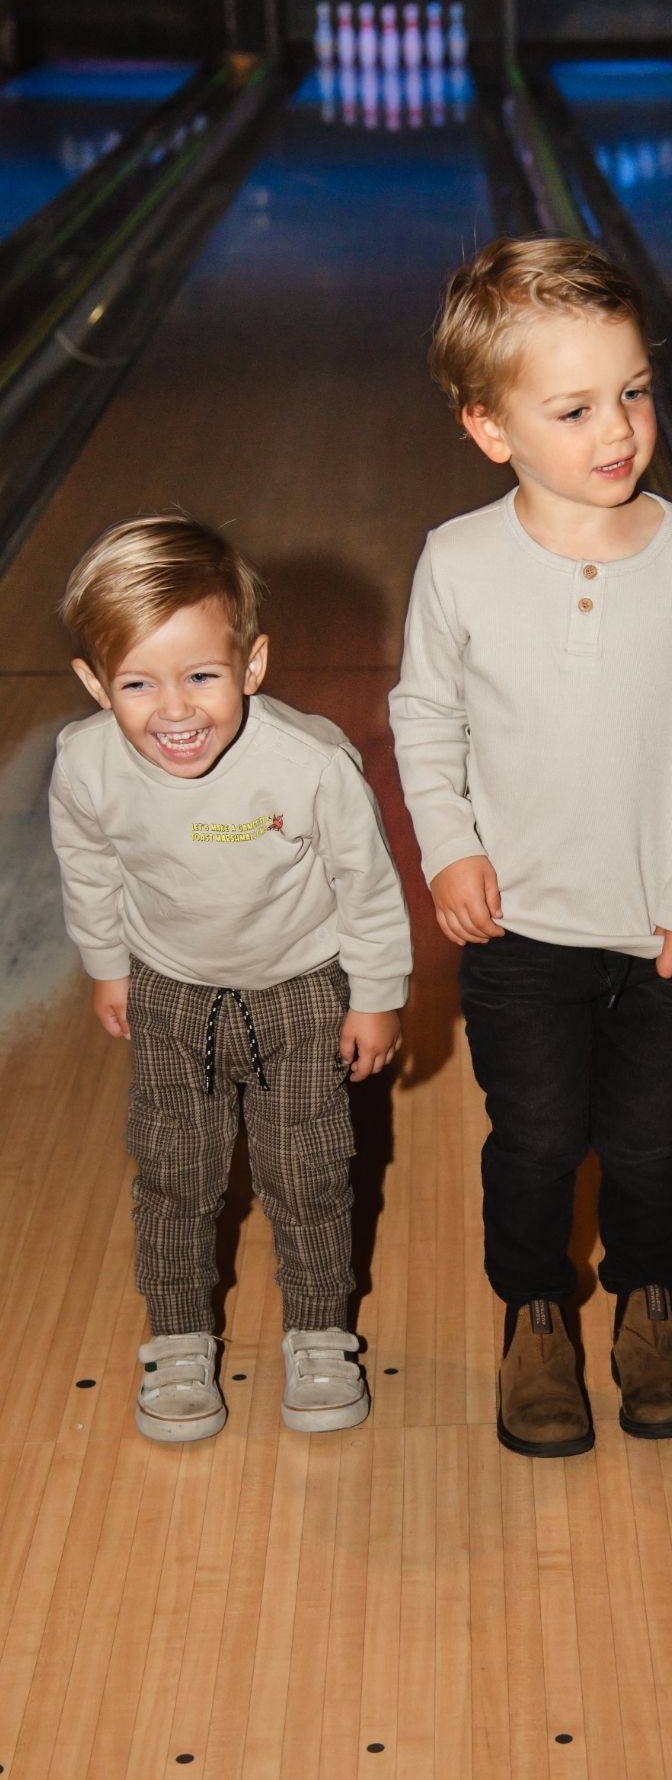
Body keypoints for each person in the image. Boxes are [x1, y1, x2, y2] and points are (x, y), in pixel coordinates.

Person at [390, 236, 672, 1457]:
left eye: (634, 391)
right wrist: (449, 847)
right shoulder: (457, 562)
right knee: (538, 1139)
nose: (618, 428)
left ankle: (651, 1295)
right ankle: (535, 1311)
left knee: (653, 1140)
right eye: (574, 408)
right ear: (488, 427)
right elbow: (424, 717)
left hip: (665, 931)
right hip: (519, 929)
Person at [50, 514, 411, 1442]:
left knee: (309, 1175)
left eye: (202, 677)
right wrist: (106, 965)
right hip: (170, 995)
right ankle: (178, 1339)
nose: (175, 712)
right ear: (95, 683)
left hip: (302, 994)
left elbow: (367, 886)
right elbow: (89, 866)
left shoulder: (311, 764)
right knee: (174, 1177)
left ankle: (320, 1334)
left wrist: (377, 996)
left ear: (252, 664)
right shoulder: (86, 763)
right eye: (138, 683)